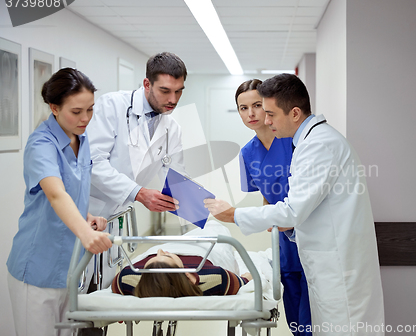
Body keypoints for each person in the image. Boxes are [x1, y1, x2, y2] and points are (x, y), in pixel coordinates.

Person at [205, 74, 385, 336]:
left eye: (270, 113)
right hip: (315, 252)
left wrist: (234, 215)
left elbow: (293, 210)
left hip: (337, 267)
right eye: (247, 109)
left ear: (295, 113)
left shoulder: (318, 145)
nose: (265, 120)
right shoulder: (308, 142)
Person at [6, 68, 113, 336]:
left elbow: (74, 189)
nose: (86, 118)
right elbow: (56, 194)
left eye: (90, 109)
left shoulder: (82, 137)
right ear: (54, 108)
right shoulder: (41, 144)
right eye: (76, 112)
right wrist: (86, 233)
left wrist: (85, 216)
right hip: (39, 269)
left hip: (70, 268)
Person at [85, 52, 188, 290]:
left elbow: (176, 178)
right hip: (86, 214)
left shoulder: (172, 127)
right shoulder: (112, 106)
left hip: (115, 221)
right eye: (165, 91)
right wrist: (139, 193)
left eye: (179, 90)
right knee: (75, 299)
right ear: (146, 84)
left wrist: (208, 209)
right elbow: (93, 161)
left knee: (103, 302)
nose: (173, 99)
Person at [236, 79, 312, 336]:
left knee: (313, 309)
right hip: (283, 236)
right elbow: (267, 198)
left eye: (257, 105)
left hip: (310, 229)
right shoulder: (247, 153)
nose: (251, 114)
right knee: (294, 308)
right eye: (243, 108)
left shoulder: (294, 141)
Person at [112, 249, 252, 298]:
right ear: (187, 275)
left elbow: (116, 284)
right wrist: (248, 276)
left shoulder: (128, 278)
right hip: (200, 249)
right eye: (168, 256)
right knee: (215, 226)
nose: (160, 250)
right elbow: (246, 280)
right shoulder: (216, 278)